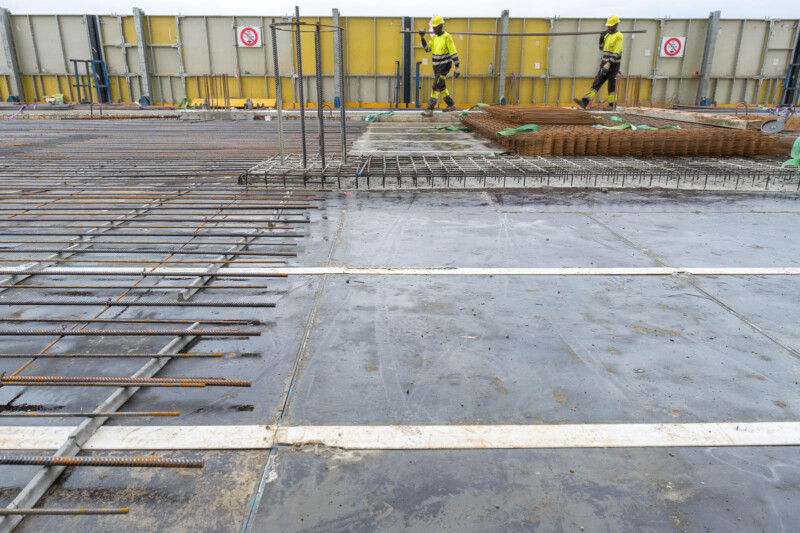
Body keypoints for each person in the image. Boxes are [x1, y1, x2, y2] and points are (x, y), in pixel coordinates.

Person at [574, 15, 623, 110]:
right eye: (608, 25)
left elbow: (617, 52)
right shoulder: (608, 35)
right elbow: (601, 47)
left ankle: (612, 106)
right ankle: (585, 101)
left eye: (611, 25)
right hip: (604, 64)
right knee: (596, 83)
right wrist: (601, 37)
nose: (609, 27)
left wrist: (609, 64)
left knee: (611, 86)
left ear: (616, 25)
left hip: (613, 65)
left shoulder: (619, 36)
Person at [419, 16, 460, 116]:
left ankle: (430, 109)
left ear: (441, 26)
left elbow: (453, 51)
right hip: (436, 67)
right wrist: (422, 38)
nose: (434, 30)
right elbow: (427, 49)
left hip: (444, 66)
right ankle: (451, 105)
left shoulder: (447, 37)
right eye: (433, 28)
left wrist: (457, 67)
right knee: (441, 86)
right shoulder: (434, 38)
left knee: (435, 85)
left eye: (436, 28)